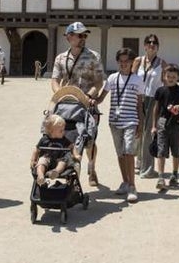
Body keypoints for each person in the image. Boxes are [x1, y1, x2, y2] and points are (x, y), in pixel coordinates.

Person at [51, 22, 106, 187]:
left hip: (87, 106)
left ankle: (92, 168)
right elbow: (54, 80)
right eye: (79, 35)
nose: (83, 38)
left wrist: (89, 95)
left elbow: (98, 81)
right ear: (69, 37)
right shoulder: (60, 58)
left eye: (85, 35)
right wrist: (59, 94)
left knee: (88, 140)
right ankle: (69, 174)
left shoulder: (94, 56)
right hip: (66, 107)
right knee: (66, 140)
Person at [97, 48, 144, 203]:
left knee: (129, 151)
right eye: (121, 61)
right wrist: (90, 100)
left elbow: (139, 105)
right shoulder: (112, 78)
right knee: (120, 153)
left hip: (131, 120)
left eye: (127, 61)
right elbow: (101, 97)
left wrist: (141, 123)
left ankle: (132, 186)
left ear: (132, 62)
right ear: (117, 62)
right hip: (115, 121)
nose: (123, 64)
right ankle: (125, 181)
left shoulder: (137, 80)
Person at [131, 33, 167, 179]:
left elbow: (165, 83)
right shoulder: (138, 61)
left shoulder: (162, 63)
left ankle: (148, 168)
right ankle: (139, 160)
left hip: (153, 99)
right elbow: (131, 78)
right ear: (144, 46)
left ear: (157, 46)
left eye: (154, 43)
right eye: (149, 42)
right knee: (137, 131)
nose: (152, 45)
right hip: (138, 98)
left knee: (149, 134)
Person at [150, 64, 179, 191]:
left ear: (178, 77)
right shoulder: (160, 90)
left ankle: (174, 174)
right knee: (161, 151)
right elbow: (156, 109)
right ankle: (161, 177)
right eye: (168, 76)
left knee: (176, 151)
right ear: (164, 76)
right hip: (162, 123)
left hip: (176, 123)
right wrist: (153, 126)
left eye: (173, 76)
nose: (171, 78)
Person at [30, 114, 81, 186]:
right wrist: (33, 160)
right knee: (41, 161)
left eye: (63, 130)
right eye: (61, 131)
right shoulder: (44, 139)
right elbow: (37, 149)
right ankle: (40, 176)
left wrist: (76, 155)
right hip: (47, 157)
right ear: (51, 131)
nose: (63, 132)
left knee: (62, 162)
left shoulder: (63, 139)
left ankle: (55, 172)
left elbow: (72, 146)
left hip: (60, 158)